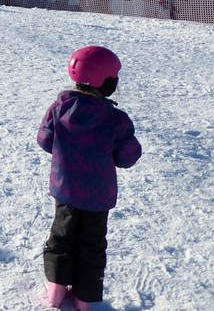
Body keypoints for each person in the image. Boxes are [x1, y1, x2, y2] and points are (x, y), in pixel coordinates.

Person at [38, 46, 141, 310]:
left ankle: (56, 290)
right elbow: (127, 157)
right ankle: (85, 298)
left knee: (61, 235)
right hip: (97, 196)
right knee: (92, 244)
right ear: (105, 82)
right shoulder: (116, 120)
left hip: (65, 189)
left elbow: (45, 140)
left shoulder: (59, 108)